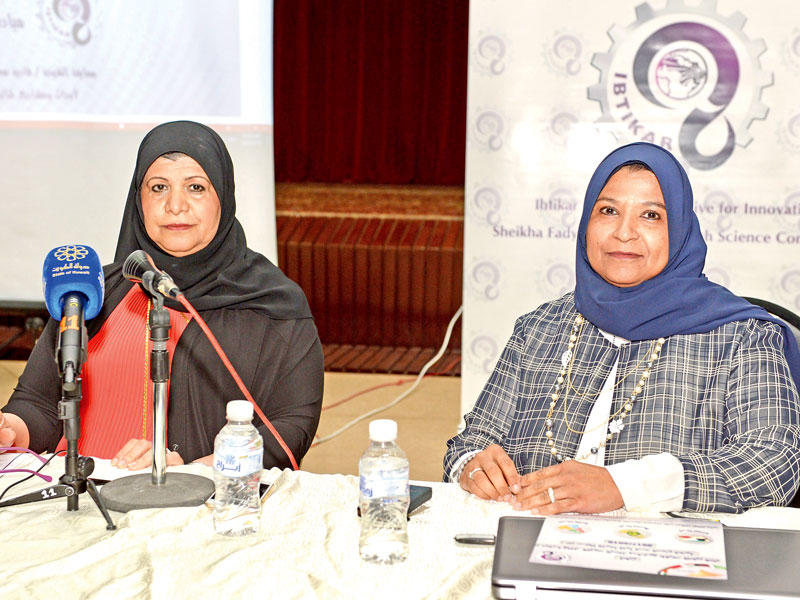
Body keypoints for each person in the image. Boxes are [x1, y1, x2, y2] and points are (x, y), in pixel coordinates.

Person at [444, 142, 800, 515]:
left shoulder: (743, 337)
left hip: (668, 548)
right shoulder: (538, 328)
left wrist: (623, 486)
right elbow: (471, 442)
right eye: (609, 211)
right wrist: (472, 466)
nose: (624, 232)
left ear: (680, 230)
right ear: (586, 222)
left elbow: (772, 463)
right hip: (531, 537)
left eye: (650, 215)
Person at [0, 120, 324, 470]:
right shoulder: (93, 292)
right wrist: (10, 430)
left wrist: (190, 470)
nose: (175, 205)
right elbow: (38, 405)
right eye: (158, 188)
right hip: (75, 496)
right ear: (138, 200)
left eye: (196, 187)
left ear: (223, 197)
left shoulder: (273, 304)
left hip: (204, 500)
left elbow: (290, 430)